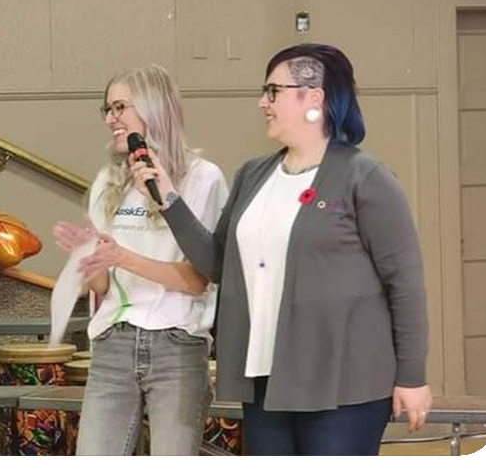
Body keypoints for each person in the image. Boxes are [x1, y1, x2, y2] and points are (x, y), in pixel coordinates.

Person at [132, 43, 431, 455]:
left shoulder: (365, 176)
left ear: (313, 98)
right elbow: (219, 263)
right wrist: (169, 199)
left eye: (273, 91)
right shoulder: (253, 174)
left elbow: (406, 283)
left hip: (345, 385)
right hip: (267, 380)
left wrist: (412, 377)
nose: (263, 103)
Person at [52, 64, 228, 455]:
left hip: (177, 343)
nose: (110, 119)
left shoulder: (203, 178)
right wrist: (87, 257)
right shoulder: (108, 180)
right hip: (113, 340)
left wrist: (123, 257)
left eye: (120, 107)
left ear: (154, 108)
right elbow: (101, 286)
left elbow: (197, 279)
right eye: (107, 109)